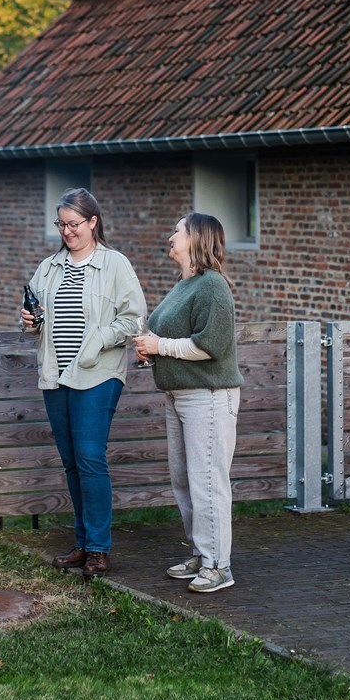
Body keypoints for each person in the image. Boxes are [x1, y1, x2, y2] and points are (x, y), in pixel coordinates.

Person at [22, 188, 146, 578]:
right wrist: (30, 322)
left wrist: (97, 341)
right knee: (72, 462)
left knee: (91, 458)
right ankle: (81, 543)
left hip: (98, 373)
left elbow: (134, 319)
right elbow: (33, 315)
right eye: (61, 224)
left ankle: (98, 548)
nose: (67, 231)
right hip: (55, 374)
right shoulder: (48, 267)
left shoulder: (115, 265)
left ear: (93, 222)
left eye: (74, 224)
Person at [132, 212, 241, 594]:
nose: (170, 235)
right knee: (185, 481)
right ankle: (200, 553)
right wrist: (151, 351)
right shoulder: (185, 285)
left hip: (207, 397)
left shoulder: (213, 287)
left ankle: (218, 565)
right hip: (178, 395)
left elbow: (212, 345)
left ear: (196, 238)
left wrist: (159, 346)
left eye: (176, 230)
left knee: (208, 482)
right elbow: (174, 339)